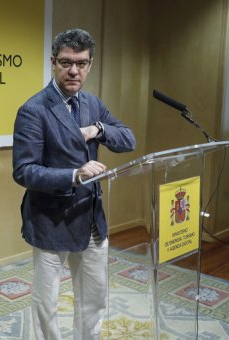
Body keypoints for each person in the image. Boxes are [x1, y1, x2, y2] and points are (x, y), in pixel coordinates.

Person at [12, 28, 136, 339]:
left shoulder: (93, 105)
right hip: (51, 220)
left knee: (94, 298)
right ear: (53, 62)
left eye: (81, 64)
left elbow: (128, 139)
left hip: (91, 219)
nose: (73, 71)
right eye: (66, 62)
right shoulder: (33, 110)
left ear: (90, 65)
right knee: (46, 304)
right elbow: (24, 170)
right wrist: (73, 175)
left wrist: (97, 130)